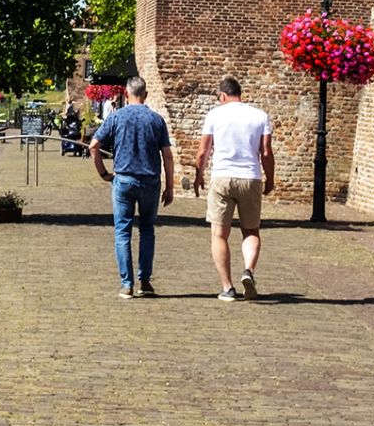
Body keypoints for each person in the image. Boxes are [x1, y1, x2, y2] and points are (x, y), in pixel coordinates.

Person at [88, 76, 174, 299]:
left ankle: (127, 284)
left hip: (124, 179)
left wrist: (104, 173)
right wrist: (170, 186)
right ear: (145, 95)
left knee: (122, 231)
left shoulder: (116, 117)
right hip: (150, 180)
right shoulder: (156, 120)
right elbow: (167, 155)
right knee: (147, 230)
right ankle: (145, 281)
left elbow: (94, 146)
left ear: (126, 94)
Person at [193, 77, 274, 301]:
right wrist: (270, 179)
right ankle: (248, 270)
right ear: (240, 93)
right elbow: (266, 152)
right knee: (251, 230)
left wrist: (199, 176)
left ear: (223, 95)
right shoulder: (259, 116)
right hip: (250, 177)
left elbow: (203, 152)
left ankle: (228, 288)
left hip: (222, 176)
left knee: (219, 234)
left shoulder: (214, 115)